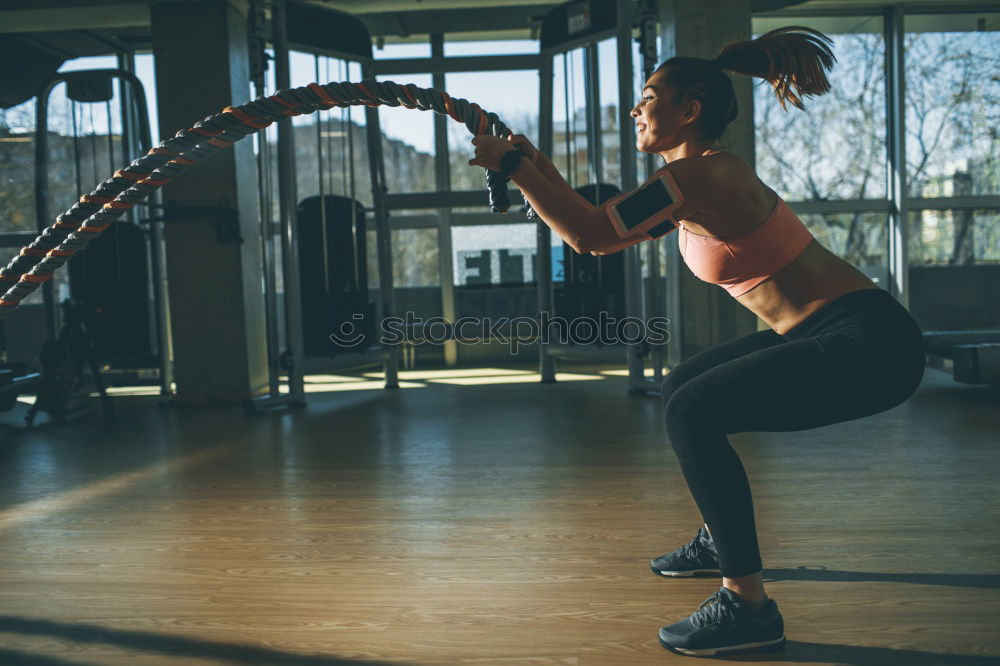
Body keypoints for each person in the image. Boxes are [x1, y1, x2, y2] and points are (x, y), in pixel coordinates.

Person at [469, 26, 926, 657]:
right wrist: (533, 165)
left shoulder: (706, 176)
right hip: (826, 330)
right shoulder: (686, 189)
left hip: (870, 341)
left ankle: (748, 608)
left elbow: (591, 236)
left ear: (689, 111)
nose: (635, 108)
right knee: (682, 386)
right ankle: (720, 539)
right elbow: (597, 222)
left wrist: (516, 166)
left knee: (693, 410)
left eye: (648, 96)